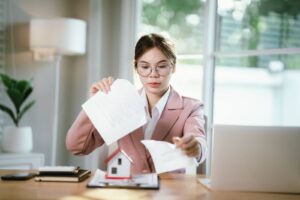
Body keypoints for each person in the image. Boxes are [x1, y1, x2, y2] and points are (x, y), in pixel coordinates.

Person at [66, 33, 207, 174]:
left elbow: (198, 140)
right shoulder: (120, 103)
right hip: (130, 190)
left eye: (162, 66)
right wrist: (95, 104)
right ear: (136, 68)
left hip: (170, 191)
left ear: (173, 67)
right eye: (145, 67)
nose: (153, 74)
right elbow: (76, 147)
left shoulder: (191, 107)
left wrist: (195, 147)